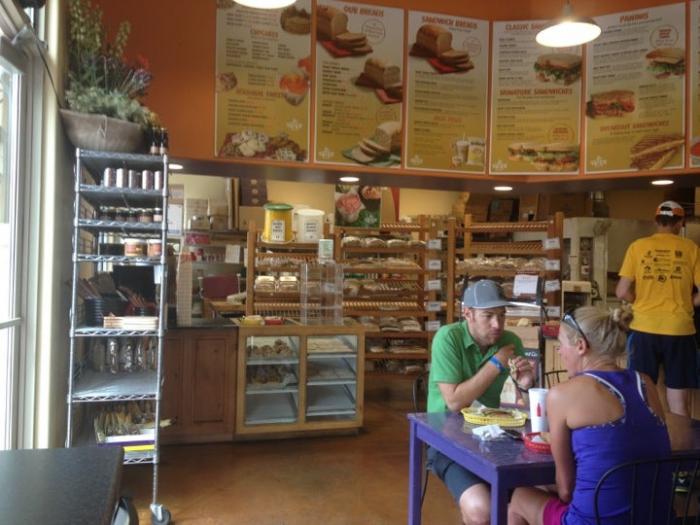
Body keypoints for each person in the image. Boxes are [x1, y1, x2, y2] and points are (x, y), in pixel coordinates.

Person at [508, 306, 670, 525]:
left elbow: (566, 490)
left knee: (520, 496)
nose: (559, 351)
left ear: (581, 346)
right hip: (655, 519)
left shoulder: (562, 395)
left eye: (561, 344)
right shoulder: (646, 383)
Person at [427, 279, 535, 525]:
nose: (497, 324)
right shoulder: (448, 338)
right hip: (446, 438)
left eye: (502, 315)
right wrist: (496, 363)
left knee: (536, 495)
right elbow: (454, 402)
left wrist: (525, 383)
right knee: (481, 510)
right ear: (468, 314)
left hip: (494, 436)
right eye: (488, 316)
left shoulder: (510, 340)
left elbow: (528, 406)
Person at [616, 200, 700, 416]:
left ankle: (645, 437)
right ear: (680, 223)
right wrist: (689, 302)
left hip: (644, 328)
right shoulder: (691, 249)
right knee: (679, 401)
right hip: (680, 329)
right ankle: (680, 437)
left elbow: (621, 291)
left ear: (656, 221)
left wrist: (640, 301)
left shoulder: (637, 247)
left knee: (642, 394)